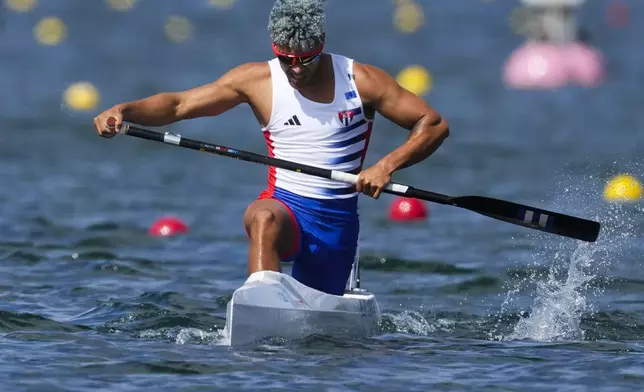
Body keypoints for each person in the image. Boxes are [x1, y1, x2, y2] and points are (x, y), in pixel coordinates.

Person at [93, 0, 449, 296]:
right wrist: (124, 110)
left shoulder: (362, 81)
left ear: (321, 41)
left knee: (321, 338)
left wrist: (386, 165)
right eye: (285, 58)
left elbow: (432, 124)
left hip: (336, 224)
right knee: (263, 218)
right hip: (285, 207)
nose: (295, 69)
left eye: (305, 59)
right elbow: (177, 106)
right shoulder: (257, 81)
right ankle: (262, 299)